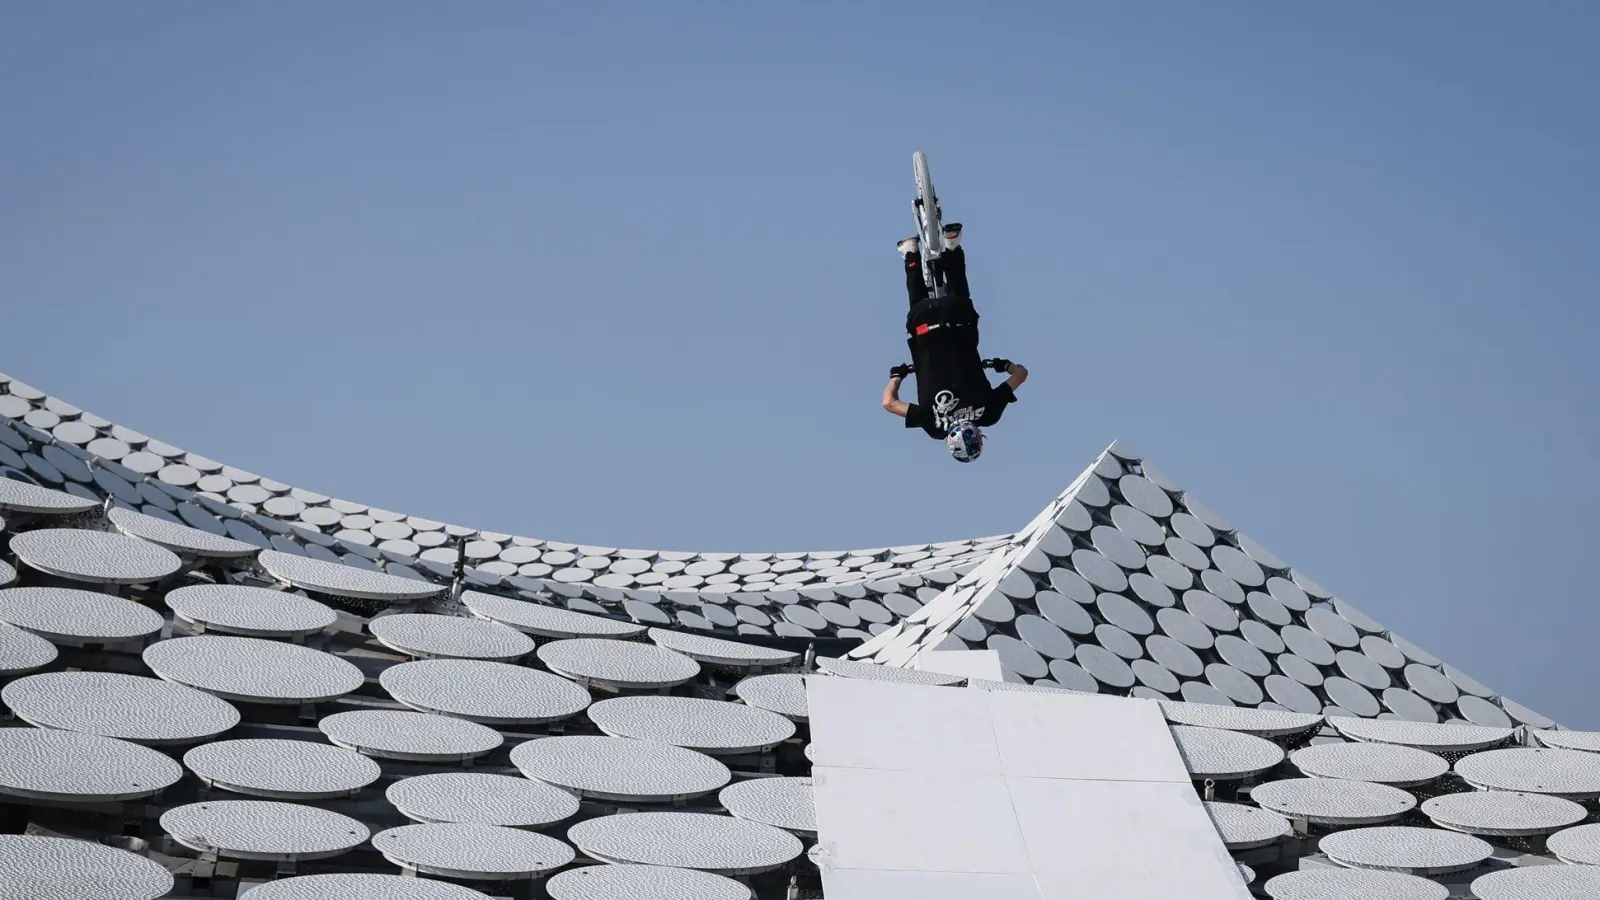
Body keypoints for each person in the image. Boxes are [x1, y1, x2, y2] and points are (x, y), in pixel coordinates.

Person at [881, 223, 1027, 462]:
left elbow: (1021, 374)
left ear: (978, 436)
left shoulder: (988, 413)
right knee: (918, 305)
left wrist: (1004, 365)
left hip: (959, 322)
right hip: (925, 329)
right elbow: (889, 403)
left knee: (960, 296)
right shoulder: (934, 425)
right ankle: (910, 253)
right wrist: (897, 376)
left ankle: (952, 245)